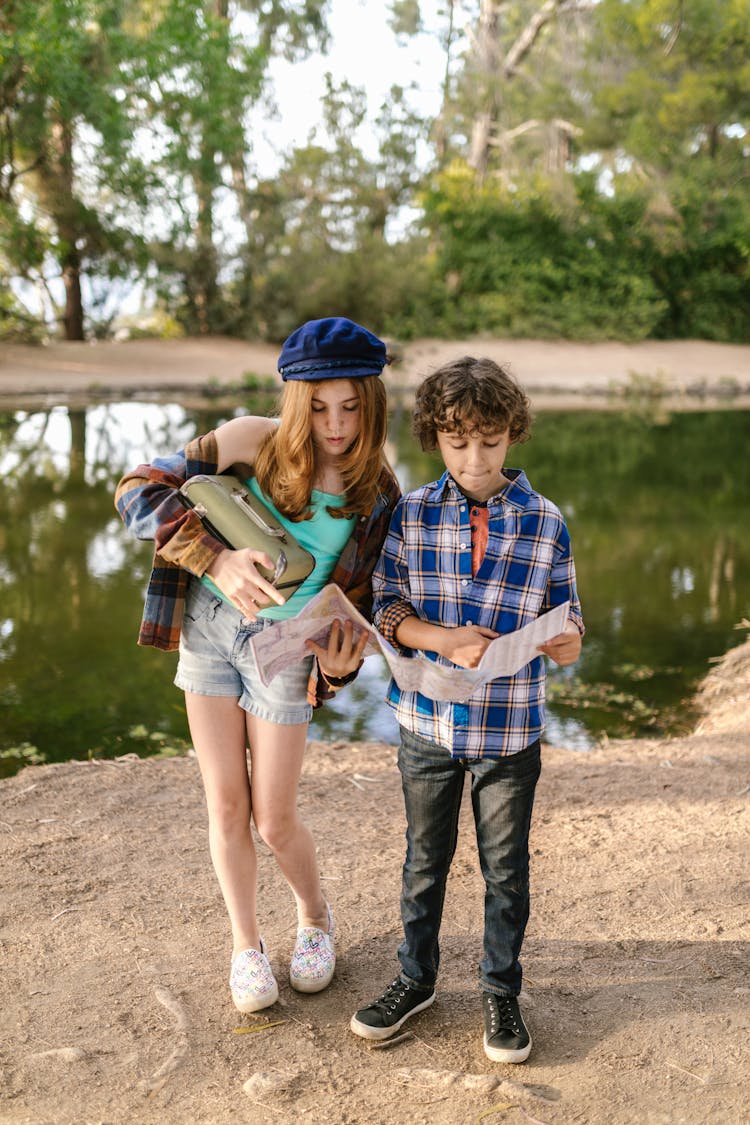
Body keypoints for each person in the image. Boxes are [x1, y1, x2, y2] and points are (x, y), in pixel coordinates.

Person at [115, 317, 400, 1014]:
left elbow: (359, 606)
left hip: (283, 649)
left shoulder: (378, 491)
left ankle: (314, 916)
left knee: (273, 818)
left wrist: (337, 666)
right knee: (226, 803)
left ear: (372, 401)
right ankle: (246, 944)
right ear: (295, 396)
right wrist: (215, 556)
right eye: (320, 405)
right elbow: (134, 491)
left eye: (352, 406)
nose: (335, 424)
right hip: (209, 630)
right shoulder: (247, 440)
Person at [349, 356, 584, 1063]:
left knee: (505, 867)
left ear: (513, 432)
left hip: (510, 731)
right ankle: (415, 978)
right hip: (426, 722)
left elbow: (569, 618)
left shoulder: (545, 522)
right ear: (435, 439)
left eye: (489, 441)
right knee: (426, 859)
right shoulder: (411, 513)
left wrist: (568, 644)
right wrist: (440, 637)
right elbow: (384, 605)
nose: (475, 458)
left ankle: (500, 989)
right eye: (458, 443)